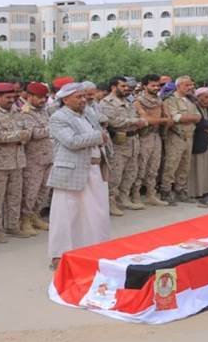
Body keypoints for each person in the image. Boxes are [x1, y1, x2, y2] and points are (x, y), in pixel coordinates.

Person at [47, 82, 109, 269]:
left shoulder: (89, 113)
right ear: (65, 99)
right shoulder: (59, 117)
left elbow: (102, 128)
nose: (84, 100)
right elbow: (71, 141)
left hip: (93, 169)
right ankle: (59, 255)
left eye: (84, 96)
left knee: (95, 213)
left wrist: (101, 135)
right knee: (65, 215)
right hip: (70, 171)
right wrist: (99, 136)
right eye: (79, 97)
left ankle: (93, 250)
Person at [0, 83, 32, 242]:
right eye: (8, 97)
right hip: (0, 162)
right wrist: (20, 136)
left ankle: (12, 225)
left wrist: (17, 136)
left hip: (18, 160)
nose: (12, 100)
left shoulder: (18, 112)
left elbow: (29, 132)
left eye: (13, 97)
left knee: (15, 196)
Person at [100, 76, 147, 215]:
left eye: (127, 86)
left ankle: (124, 198)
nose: (127, 89)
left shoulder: (128, 101)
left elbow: (138, 115)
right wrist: (135, 121)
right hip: (119, 142)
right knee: (115, 175)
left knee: (131, 172)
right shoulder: (106, 103)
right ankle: (110, 202)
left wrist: (136, 121)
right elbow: (113, 121)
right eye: (123, 86)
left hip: (133, 140)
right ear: (114, 87)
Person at [19, 82, 53, 233]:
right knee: (30, 191)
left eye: (45, 97)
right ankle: (24, 220)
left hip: (48, 156)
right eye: (39, 98)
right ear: (29, 96)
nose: (43, 100)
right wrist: (54, 128)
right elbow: (34, 133)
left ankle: (35, 216)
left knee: (43, 190)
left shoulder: (44, 111)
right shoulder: (25, 113)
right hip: (34, 159)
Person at [161, 76, 201, 203]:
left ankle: (180, 190)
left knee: (185, 166)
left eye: (191, 85)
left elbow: (199, 117)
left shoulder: (190, 100)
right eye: (187, 85)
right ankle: (166, 191)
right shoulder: (171, 100)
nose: (190, 87)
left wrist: (188, 117)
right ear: (178, 86)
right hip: (176, 137)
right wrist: (192, 117)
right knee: (171, 165)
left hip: (189, 136)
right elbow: (176, 118)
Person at [133, 74, 171, 206]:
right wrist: (163, 120)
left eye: (157, 85)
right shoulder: (138, 101)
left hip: (156, 136)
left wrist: (162, 120)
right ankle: (136, 195)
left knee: (154, 167)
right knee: (141, 167)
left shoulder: (160, 101)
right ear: (145, 86)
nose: (156, 88)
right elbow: (146, 120)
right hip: (144, 137)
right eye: (152, 85)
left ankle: (151, 194)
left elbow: (168, 118)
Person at [187, 87, 208, 204]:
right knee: (197, 168)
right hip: (197, 140)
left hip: (207, 140)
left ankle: (207, 191)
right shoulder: (194, 107)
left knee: (206, 168)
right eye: (206, 97)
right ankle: (197, 193)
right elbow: (200, 124)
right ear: (198, 97)